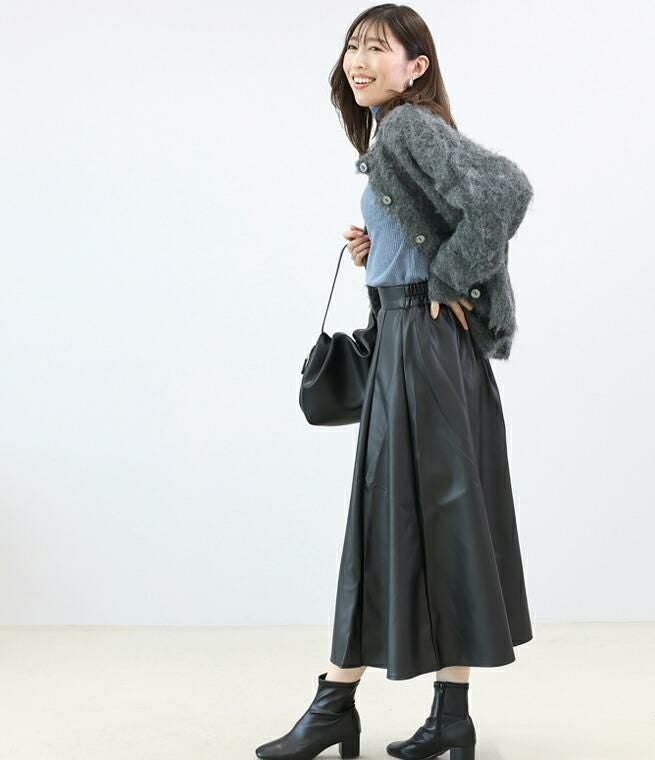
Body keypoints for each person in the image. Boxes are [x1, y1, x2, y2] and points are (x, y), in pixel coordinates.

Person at [256, 5, 534, 760]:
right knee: (439, 524)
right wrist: (381, 247)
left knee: (401, 520)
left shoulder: (408, 126)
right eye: (353, 45)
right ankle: (447, 717)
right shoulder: (394, 136)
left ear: (417, 66)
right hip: (415, 345)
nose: (359, 59)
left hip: (426, 351)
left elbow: (505, 191)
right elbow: (435, 224)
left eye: (378, 47)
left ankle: (336, 704)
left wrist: (446, 276)